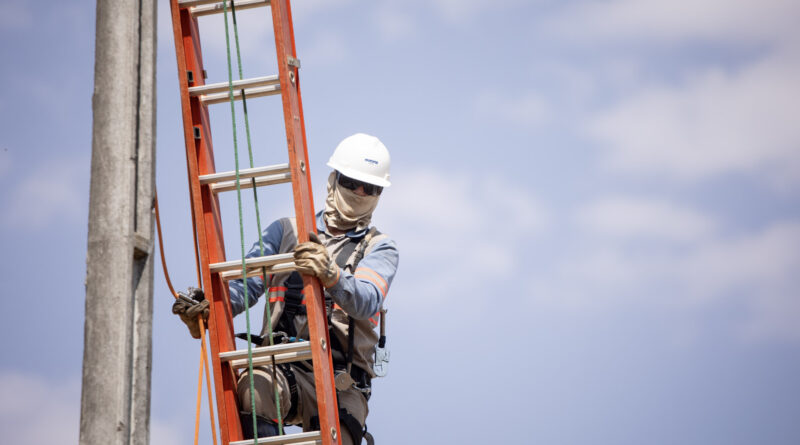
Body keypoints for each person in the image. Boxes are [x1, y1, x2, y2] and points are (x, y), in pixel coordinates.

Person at [173, 133, 399, 444]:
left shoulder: (380, 247)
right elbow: (244, 287)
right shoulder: (286, 231)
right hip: (282, 364)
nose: (360, 192)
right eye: (352, 183)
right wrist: (209, 308)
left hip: (341, 382)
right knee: (255, 389)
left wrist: (331, 274)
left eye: (370, 188)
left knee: (340, 439)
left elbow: (366, 300)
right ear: (334, 180)